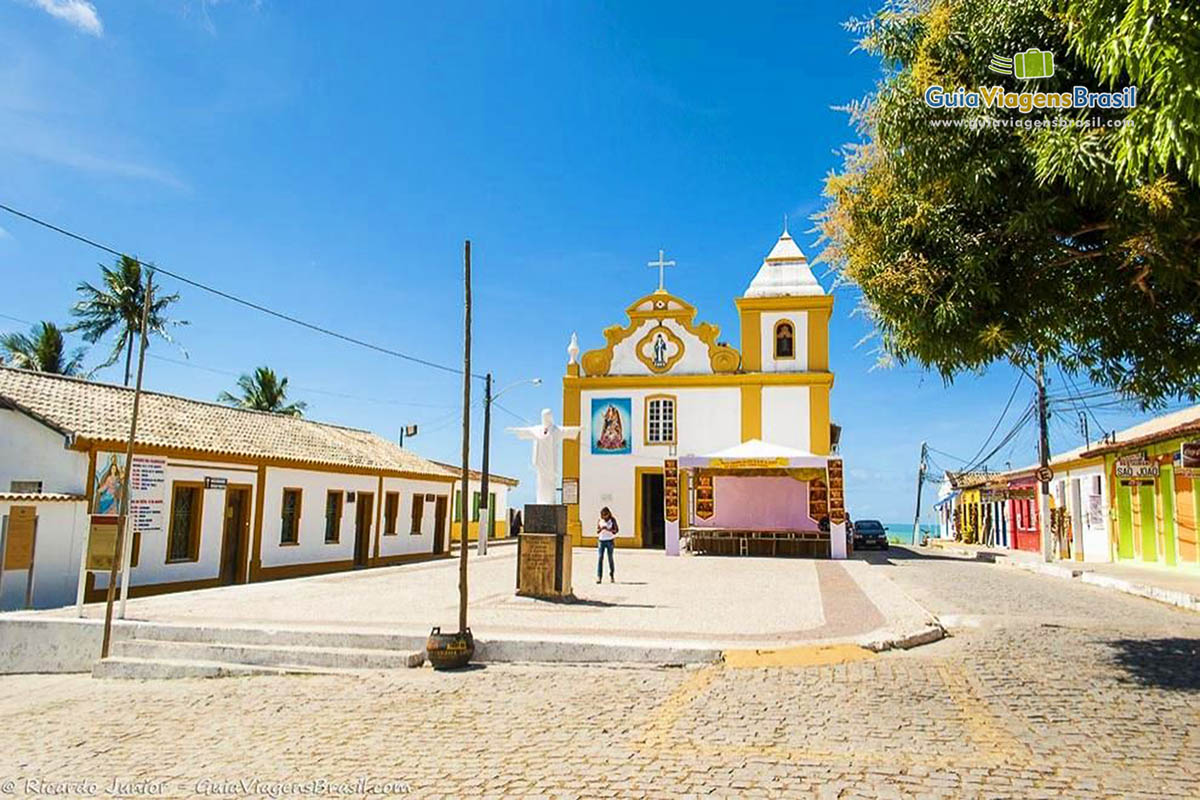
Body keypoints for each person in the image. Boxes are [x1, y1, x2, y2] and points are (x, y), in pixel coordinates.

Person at [596, 507, 618, 583]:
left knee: (610, 558)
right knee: (600, 558)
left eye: (605, 514)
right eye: (603, 515)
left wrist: (608, 529)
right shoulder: (600, 520)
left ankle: (612, 575)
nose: (604, 516)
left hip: (609, 540)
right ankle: (599, 577)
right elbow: (597, 531)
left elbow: (616, 531)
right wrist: (601, 529)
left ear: (608, 514)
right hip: (601, 541)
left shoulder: (612, 520)